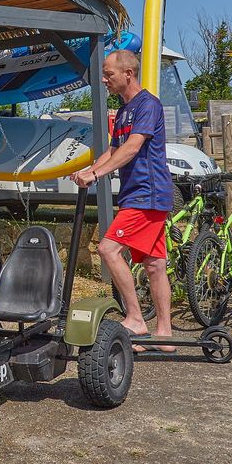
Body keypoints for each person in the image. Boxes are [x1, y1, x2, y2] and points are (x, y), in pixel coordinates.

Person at [70, 49, 176, 351]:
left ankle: (135, 318)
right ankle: (165, 334)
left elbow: (131, 148)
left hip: (148, 194)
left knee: (107, 248)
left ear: (128, 73)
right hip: (136, 194)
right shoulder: (125, 109)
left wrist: (96, 175)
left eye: (108, 74)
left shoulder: (148, 105)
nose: (104, 79)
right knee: (155, 264)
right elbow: (114, 150)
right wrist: (89, 169)